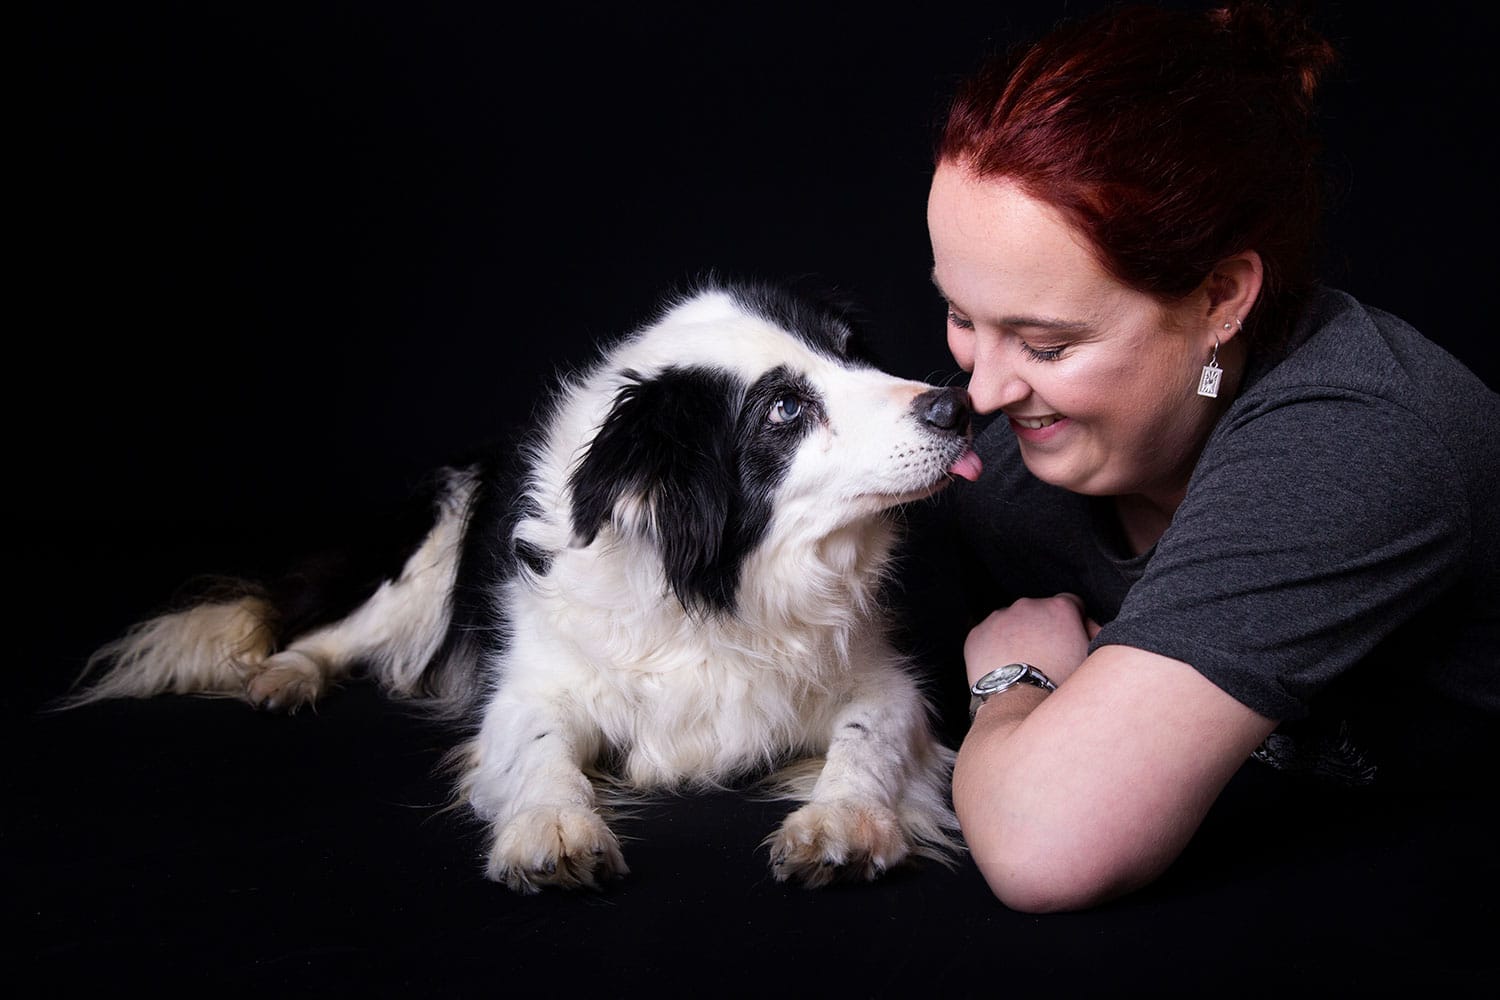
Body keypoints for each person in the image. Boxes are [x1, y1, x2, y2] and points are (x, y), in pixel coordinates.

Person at [926, 0, 1499, 913]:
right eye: (961, 316)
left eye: (1045, 345)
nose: (982, 393)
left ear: (1221, 299)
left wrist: (1013, 682)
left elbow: (1048, 843)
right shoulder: (1004, 475)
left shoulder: (1357, 439)